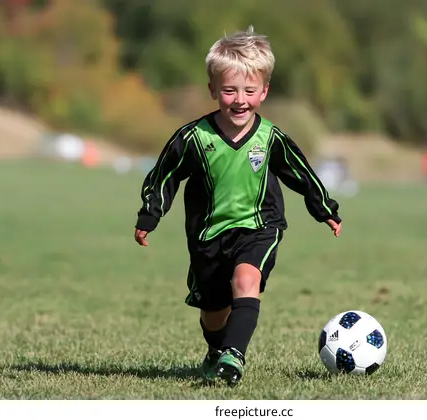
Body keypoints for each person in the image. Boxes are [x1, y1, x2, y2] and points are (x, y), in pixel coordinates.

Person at [133, 26, 342, 385]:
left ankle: (234, 356)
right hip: (207, 235)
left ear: (264, 91)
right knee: (213, 312)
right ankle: (218, 349)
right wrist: (150, 215)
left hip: (260, 226)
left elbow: (302, 173)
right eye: (229, 90)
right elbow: (164, 176)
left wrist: (324, 209)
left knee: (247, 279)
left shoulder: (270, 138)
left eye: (249, 90)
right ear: (213, 90)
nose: (239, 99)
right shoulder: (194, 138)